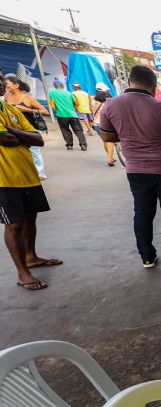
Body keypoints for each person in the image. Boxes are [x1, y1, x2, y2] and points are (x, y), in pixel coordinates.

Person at [99, 65, 161, 268]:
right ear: (154, 85)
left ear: (130, 81)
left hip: (135, 169)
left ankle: (147, 256)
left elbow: (106, 135)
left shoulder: (110, 105)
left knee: (142, 212)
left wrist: (126, 135)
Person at [0, 73, 61, 290]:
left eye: (1, 80)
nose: (1, 84)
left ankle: (31, 257)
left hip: (27, 174)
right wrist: (20, 136)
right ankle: (22, 272)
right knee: (14, 224)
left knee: (30, 218)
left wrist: (13, 131)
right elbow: (3, 139)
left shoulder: (11, 110)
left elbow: (38, 139)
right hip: (4, 178)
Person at [3, 75, 49, 179]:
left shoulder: (28, 98)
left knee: (34, 151)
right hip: (14, 129)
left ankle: (40, 173)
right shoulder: (6, 96)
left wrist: (27, 110)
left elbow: (45, 111)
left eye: (8, 84)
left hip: (30, 129)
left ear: (16, 85)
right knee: (17, 151)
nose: (6, 86)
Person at [48, 79, 86, 151]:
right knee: (78, 130)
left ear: (54, 86)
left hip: (61, 115)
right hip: (73, 115)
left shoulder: (52, 92)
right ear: (62, 86)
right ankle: (83, 145)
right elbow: (76, 103)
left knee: (65, 130)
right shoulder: (69, 93)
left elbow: (52, 104)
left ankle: (69, 145)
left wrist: (58, 108)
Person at [90, 88, 116, 166]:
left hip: (96, 123)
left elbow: (91, 110)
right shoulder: (108, 101)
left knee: (105, 140)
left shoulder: (93, 100)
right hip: (106, 123)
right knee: (109, 140)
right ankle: (110, 159)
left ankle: (110, 156)